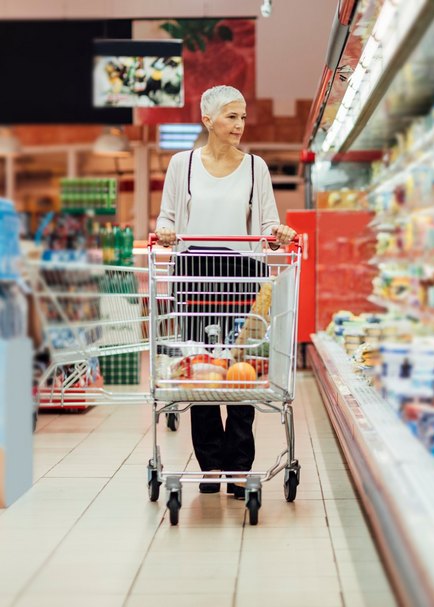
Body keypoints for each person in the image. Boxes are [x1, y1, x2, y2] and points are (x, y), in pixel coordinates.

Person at [155, 85, 297, 497]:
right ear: (208, 120)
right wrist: (166, 231)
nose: (240, 124)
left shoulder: (256, 167)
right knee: (201, 368)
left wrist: (279, 233)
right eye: (231, 117)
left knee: (242, 367)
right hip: (193, 270)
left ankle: (239, 465)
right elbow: (167, 215)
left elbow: (268, 224)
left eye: (242, 116)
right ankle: (210, 463)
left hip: (242, 271)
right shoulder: (181, 165)